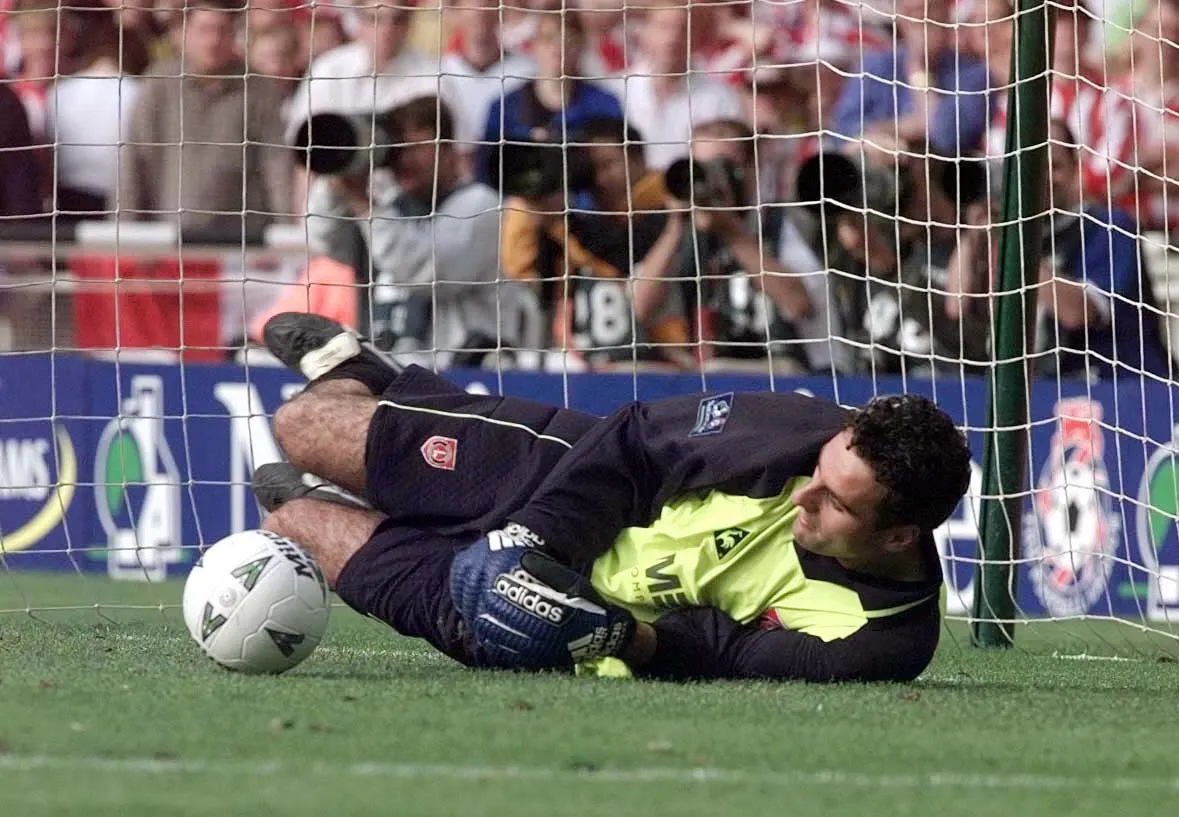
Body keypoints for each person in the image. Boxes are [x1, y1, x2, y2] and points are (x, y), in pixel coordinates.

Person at [250, 311, 973, 682]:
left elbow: (720, 657)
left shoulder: (880, 642)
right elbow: (633, 440)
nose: (803, 496)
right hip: (559, 481)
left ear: (900, 536)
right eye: (817, 471)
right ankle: (361, 372)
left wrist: (601, 631)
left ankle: (356, 469)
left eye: (835, 505)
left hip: (554, 626)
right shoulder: (799, 427)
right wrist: (534, 538)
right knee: (298, 425)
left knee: (293, 515)